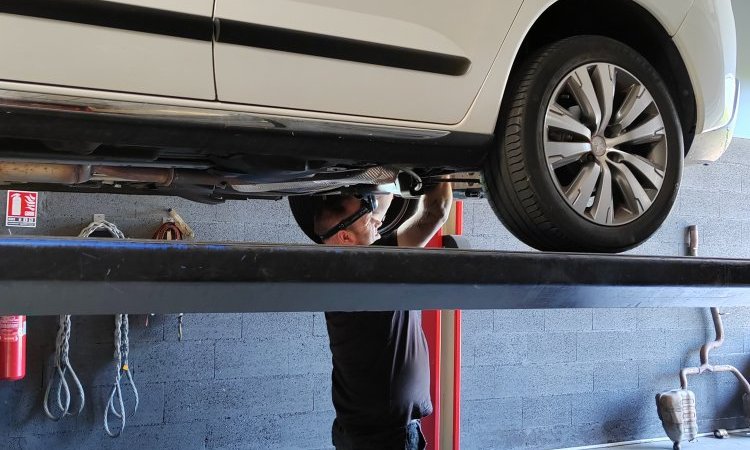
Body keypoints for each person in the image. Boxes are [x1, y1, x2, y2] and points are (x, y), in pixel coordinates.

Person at [313, 182, 453, 450]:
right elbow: (437, 211)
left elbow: (383, 205)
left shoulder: (332, 272)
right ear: (345, 237)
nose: (378, 222)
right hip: (383, 438)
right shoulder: (373, 270)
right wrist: (438, 164)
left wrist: (381, 174)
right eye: (369, 217)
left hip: (364, 431)